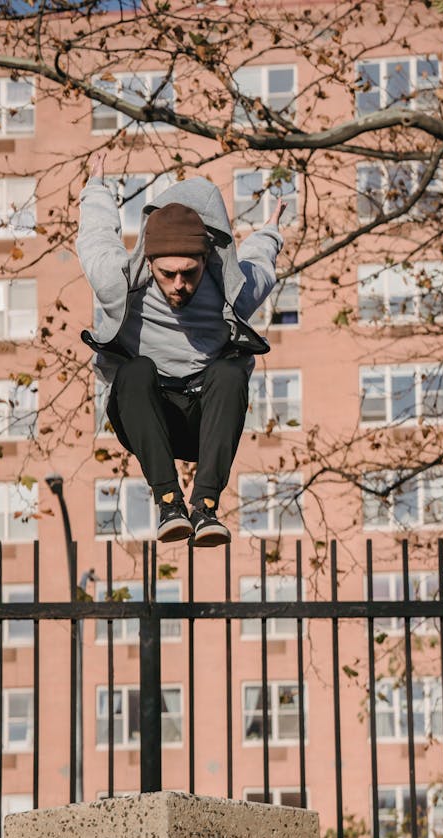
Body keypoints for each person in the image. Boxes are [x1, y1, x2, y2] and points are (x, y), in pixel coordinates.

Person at [76, 155, 286, 547]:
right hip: (145, 414)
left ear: (206, 261)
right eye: (166, 273)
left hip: (205, 420)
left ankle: (205, 507)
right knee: (135, 370)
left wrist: (271, 231)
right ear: (149, 260)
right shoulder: (118, 282)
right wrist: (96, 189)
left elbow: (260, 263)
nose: (178, 285)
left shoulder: (232, 291)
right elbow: (95, 237)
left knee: (228, 370)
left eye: (189, 273)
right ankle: (169, 503)